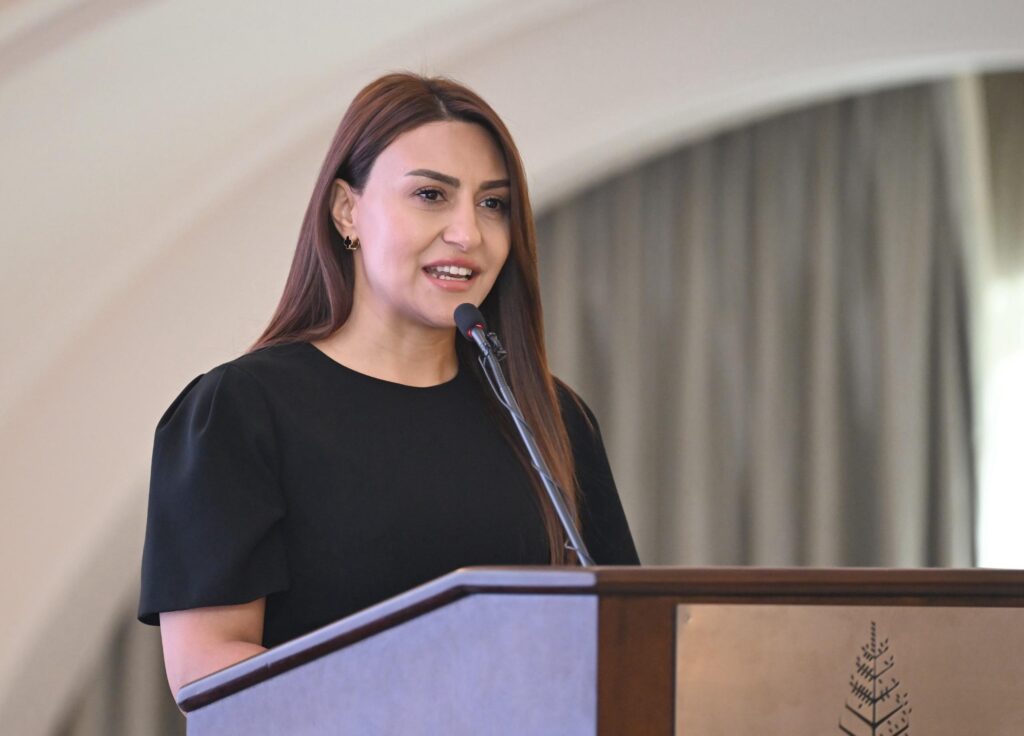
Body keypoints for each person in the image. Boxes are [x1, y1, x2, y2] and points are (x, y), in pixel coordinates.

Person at [138, 72, 639, 697]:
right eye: (431, 195)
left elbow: (625, 638)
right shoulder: (240, 411)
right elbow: (208, 669)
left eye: (493, 204)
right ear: (347, 210)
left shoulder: (550, 417)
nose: (468, 234)